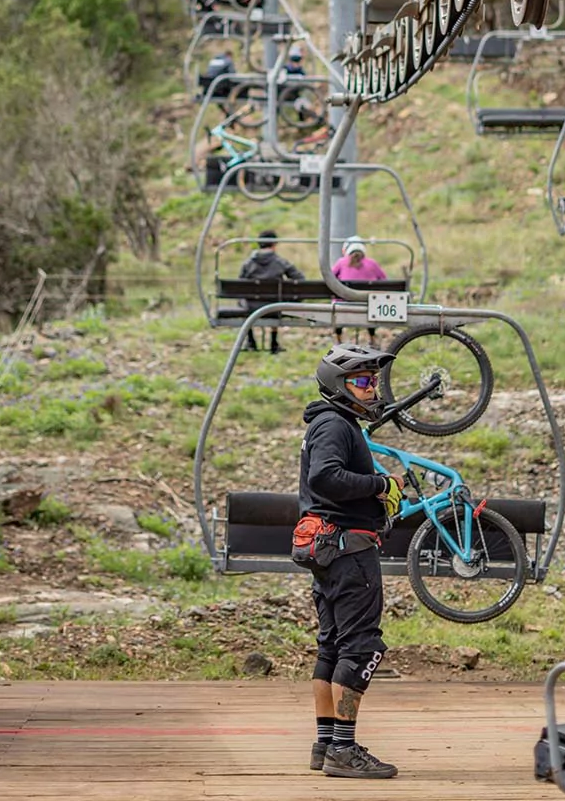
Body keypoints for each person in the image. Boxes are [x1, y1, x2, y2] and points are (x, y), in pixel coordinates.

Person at [298, 343, 405, 779]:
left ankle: (325, 744)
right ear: (338, 385)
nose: (371, 388)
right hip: (348, 553)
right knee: (362, 648)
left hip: (330, 550)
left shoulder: (331, 423)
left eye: (373, 380)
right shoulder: (334, 426)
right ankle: (344, 749)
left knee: (333, 646)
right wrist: (381, 484)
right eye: (361, 381)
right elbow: (325, 475)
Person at [239, 230, 303, 354]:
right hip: (274, 307)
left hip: (251, 307)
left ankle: (251, 341)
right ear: (274, 245)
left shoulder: (248, 263)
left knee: (244, 300)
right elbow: (300, 279)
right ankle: (273, 343)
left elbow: (240, 284)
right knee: (275, 300)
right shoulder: (281, 262)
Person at [331, 237, 388, 344]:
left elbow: (329, 280)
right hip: (368, 305)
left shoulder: (341, 262)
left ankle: (338, 337)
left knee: (338, 302)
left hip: (343, 306)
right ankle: (372, 337)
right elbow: (384, 281)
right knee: (370, 302)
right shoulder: (372, 263)